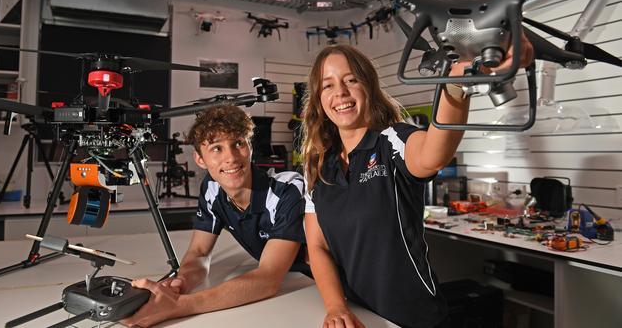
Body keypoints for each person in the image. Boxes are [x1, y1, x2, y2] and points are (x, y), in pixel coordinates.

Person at [301, 43, 533, 328]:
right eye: (328, 85)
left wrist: (457, 82)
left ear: (369, 88)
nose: (341, 93)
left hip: (413, 318)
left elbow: (433, 154)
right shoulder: (318, 166)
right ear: (318, 100)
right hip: (358, 318)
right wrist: (336, 307)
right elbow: (317, 245)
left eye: (351, 80)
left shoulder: (392, 140)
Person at [123, 104, 310, 328]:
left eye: (238, 143)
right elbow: (199, 252)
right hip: (291, 288)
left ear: (250, 147)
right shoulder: (212, 187)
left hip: (317, 285)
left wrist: (180, 306)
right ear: (200, 159)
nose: (230, 158)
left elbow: (268, 279)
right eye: (216, 148)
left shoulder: (286, 189)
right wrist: (180, 284)